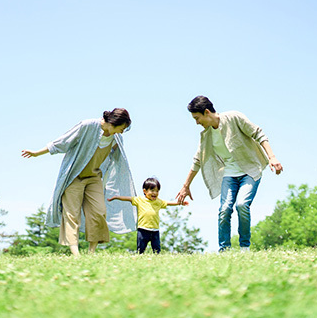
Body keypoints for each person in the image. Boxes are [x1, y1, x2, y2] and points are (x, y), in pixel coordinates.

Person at [22, 109, 136, 256]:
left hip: (94, 177)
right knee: (71, 214)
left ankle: (91, 252)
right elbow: (63, 142)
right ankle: (76, 255)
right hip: (74, 176)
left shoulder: (117, 138)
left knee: (99, 212)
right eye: (121, 128)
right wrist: (37, 153)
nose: (122, 132)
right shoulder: (87, 126)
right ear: (114, 122)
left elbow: (118, 161)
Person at [175, 96, 282, 252]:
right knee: (225, 209)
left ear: (206, 112)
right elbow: (198, 160)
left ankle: (244, 247)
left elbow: (258, 133)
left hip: (250, 171)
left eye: (197, 118)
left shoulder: (233, 117)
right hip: (229, 174)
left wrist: (272, 158)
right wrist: (186, 186)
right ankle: (224, 250)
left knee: (242, 205)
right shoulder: (206, 135)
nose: (197, 122)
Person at [108, 177, 188, 254]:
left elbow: (168, 203)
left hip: (155, 230)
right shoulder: (139, 200)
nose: (155, 193)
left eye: (157, 191)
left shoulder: (158, 202)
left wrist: (179, 203)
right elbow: (128, 198)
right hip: (143, 229)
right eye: (152, 190)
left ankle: (157, 259)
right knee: (140, 249)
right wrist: (116, 197)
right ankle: (139, 257)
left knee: (156, 249)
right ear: (145, 191)